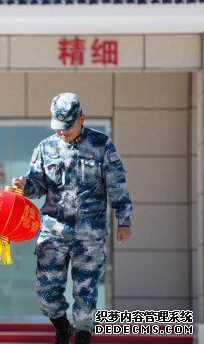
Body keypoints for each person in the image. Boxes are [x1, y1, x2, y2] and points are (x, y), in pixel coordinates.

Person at [12, 93, 133, 344]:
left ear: (82, 118)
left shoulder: (101, 145)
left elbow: (117, 185)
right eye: (58, 127)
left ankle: (82, 337)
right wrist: (24, 186)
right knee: (46, 292)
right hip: (54, 231)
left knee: (85, 293)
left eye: (68, 127)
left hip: (89, 234)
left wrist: (124, 220)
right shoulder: (46, 148)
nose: (62, 133)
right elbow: (37, 186)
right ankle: (62, 327)